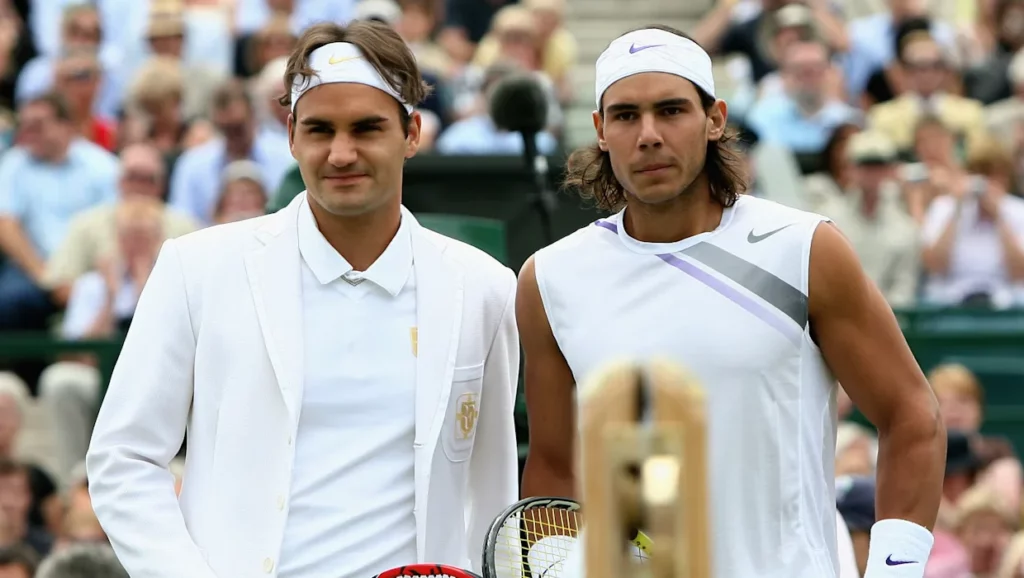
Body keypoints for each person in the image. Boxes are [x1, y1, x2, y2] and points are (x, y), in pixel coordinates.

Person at [86, 20, 520, 578]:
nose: (341, 153)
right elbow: (122, 459)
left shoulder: (484, 286)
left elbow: (492, 488)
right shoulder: (197, 268)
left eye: (366, 128)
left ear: (411, 134)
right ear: (291, 135)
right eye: (320, 130)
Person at [518, 25, 946, 578]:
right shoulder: (549, 278)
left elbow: (913, 415)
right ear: (600, 130)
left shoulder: (805, 249)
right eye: (625, 116)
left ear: (715, 118)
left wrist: (894, 573)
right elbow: (555, 469)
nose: (648, 135)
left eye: (671, 111)